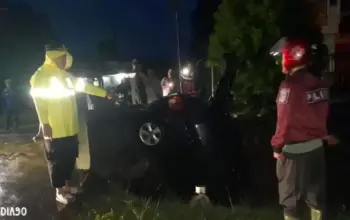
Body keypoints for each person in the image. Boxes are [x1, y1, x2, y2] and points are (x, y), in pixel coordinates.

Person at [30, 43, 115, 204]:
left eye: (65, 58)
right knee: (56, 161)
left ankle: (66, 186)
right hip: (55, 130)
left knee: (69, 159)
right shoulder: (40, 76)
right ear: (53, 57)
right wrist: (44, 123)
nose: (65, 61)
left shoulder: (66, 77)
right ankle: (59, 191)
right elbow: (38, 101)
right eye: (62, 58)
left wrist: (105, 94)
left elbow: (85, 86)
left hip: (70, 128)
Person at [270, 37, 338, 220]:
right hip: (316, 151)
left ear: (289, 58)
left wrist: (277, 147)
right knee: (315, 200)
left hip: (292, 154)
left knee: (290, 202)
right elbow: (321, 118)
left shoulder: (288, 86)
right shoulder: (321, 86)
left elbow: (283, 121)